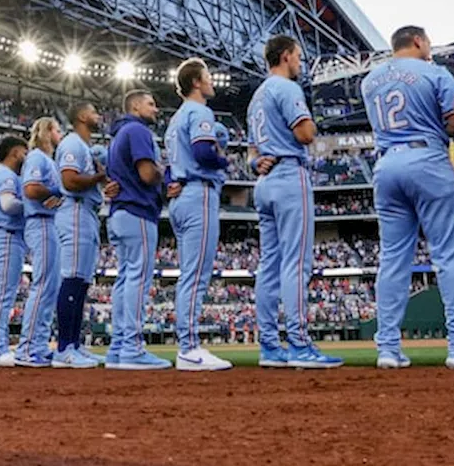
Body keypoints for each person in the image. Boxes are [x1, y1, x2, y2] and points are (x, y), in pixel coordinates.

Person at [363, 26, 454, 370]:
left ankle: (388, 349)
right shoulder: (435, 72)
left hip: (386, 164)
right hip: (427, 159)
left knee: (393, 259)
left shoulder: (369, 80)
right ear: (419, 42)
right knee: (449, 257)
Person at [247, 35, 342, 369]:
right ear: (285, 56)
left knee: (269, 265)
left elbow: (253, 152)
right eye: (298, 57)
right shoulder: (287, 89)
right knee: (295, 263)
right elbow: (304, 134)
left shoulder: (256, 96)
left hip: (264, 181)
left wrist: (254, 162)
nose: (300, 63)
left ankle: (270, 346)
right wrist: (316, 124)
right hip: (289, 174)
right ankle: (300, 344)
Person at [165, 58, 233, 371]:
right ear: (195, 82)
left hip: (182, 196)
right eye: (207, 76)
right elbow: (205, 153)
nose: (211, 81)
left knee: (190, 273)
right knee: (196, 275)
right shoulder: (200, 111)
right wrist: (224, 159)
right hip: (199, 193)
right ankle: (189, 347)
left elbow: (170, 166)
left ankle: (188, 345)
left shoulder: (176, 118)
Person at [106, 90, 171, 371]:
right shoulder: (137, 130)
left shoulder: (118, 134)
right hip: (137, 210)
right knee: (138, 279)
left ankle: (119, 346)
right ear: (135, 106)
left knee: (125, 278)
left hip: (120, 212)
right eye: (151, 104)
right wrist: (165, 175)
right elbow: (147, 174)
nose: (155, 109)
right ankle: (132, 347)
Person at [53, 102, 113, 368]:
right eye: (93, 111)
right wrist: (97, 178)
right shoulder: (73, 143)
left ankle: (75, 344)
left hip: (87, 211)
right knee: (73, 279)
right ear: (81, 116)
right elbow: (69, 181)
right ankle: (64, 347)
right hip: (75, 210)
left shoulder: (83, 146)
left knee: (82, 282)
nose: (97, 115)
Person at [14, 117, 65, 367]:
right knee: (44, 284)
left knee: (51, 286)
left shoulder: (49, 161)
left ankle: (38, 344)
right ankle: (26, 347)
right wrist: (56, 193)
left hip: (50, 222)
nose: (60, 133)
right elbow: (31, 189)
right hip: (40, 222)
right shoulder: (36, 157)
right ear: (46, 132)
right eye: (56, 129)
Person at [0, 135, 29, 368]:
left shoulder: (8, 175)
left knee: (6, 294)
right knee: (3, 294)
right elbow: (9, 205)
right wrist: (34, 205)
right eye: (24, 151)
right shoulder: (6, 175)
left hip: (10, 237)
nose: (26, 155)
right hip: (7, 236)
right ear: (14, 152)